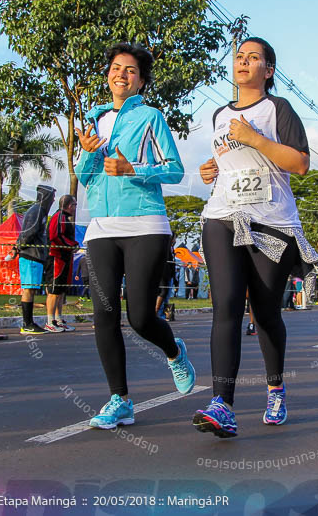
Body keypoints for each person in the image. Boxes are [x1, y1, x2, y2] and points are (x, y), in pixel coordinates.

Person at [194, 36, 318, 437]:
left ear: (268, 71)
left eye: (254, 58)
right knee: (226, 306)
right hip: (222, 216)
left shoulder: (276, 109)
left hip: (270, 222)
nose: (244, 62)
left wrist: (256, 139)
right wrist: (210, 170)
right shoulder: (219, 115)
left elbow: (299, 163)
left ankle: (275, 388)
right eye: (239, 57)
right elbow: (226, 159)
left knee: (265, 313)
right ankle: (222, 405)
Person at [74, 42, 194, 430]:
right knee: (103, 314)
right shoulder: (93, 121)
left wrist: (133, 168)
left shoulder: (150, 117)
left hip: (145, 223)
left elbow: (173, 170)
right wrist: (89, 154)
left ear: (141, 80)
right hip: (102, 227)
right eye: (115, 67)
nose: (120, 74)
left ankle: (175, 352)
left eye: (129, 70)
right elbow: (86, 177)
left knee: (140, 317)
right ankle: (120, 400)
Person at [15, 184, 56, 335]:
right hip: (31, 254)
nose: (53, 201)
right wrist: (20, 246)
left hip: (36, 255)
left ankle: (29, 322)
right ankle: (27, 323)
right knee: (29, 289)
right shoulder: (36, 211)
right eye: (51, 197)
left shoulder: (40, 211)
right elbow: (28, 233)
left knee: (31, 289)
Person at [45, 194, 78, 333]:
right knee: (53, 291)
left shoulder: (64, 218)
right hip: (56, 258)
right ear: (70, 205)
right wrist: (71, 245)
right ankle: (50, 321)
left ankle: (58, 319)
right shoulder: (59, 217)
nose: (76, 208)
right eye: (75, 205)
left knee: (60, 291)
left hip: (64, 258)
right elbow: (55, 236)